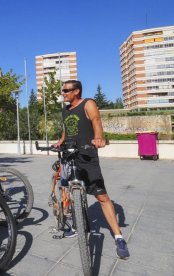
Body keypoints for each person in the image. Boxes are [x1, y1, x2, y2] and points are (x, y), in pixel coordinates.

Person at [53, 80, 130, 259]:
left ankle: (118, 237)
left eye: (66, 90)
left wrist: (98, 138)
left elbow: (96, 120)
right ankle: (76, 223)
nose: (63, 93)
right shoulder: (65, 110)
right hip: (69, 154)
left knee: (101, 196)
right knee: (66, 188)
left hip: (86, 155)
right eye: (62, 90)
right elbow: (67, 129)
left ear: (76, 91)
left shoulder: (88, 103)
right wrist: (60, 141)